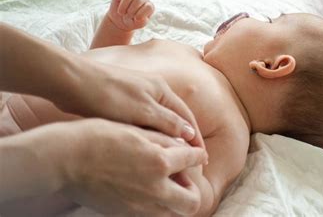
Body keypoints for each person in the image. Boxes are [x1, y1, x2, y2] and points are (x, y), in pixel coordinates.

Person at [0, 0, 323, 216]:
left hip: (31, 170)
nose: (250, 17)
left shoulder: (230, 132)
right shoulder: (184, 53)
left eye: (269, 22)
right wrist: (117, 28)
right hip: (20, 93)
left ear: (271, 64)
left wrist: (188, 179)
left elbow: (199, 198)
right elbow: (93, 68)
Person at [0, 22, 208, 216]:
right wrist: (116, 28)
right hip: (14, 117)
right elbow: (101, 54)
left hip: (37, 183)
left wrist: (185, 161)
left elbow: (201, 198)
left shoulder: (236, 126)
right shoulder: (178, 49)